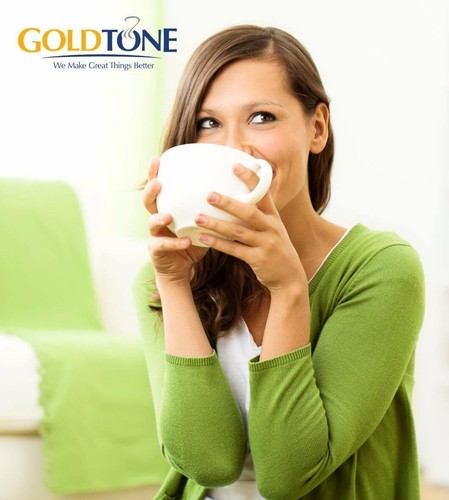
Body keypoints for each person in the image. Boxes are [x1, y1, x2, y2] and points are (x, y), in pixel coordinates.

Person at [134, 25, 425, 499]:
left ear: (317, 128)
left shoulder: (382, 269)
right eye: (208, 123)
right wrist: (173, 286)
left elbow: (290, 473)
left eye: (261, 117)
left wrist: (288, 288)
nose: (233, 148)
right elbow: (208, 461)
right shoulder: (163, 276)